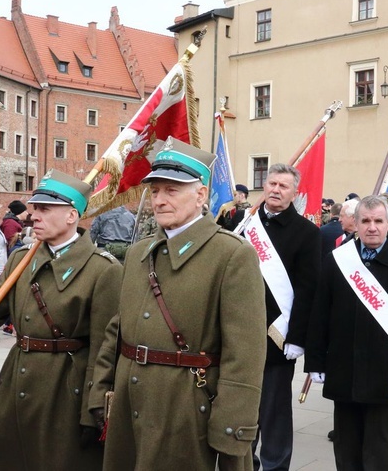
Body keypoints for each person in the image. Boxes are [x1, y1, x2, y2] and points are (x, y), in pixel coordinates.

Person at [0, 169, 122, 470]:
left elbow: (104, 348)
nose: (33, 216)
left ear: (71, 216)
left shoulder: (103, 270)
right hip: (16, 381)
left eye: (44, 209)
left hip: (65, 389)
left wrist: (92, 409)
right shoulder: (21, 260)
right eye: (34, 207)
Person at [90, 137, 266, 470]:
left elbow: (244, 354)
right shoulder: (140, 252)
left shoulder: (231, 255)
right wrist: (101, 390)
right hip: (131, 402)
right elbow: (118, 328)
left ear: (200, 196)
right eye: (155, 191)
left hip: (188, 407)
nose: (159, 200)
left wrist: (232, 429)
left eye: (171, 191)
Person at [306, 195, 388, 470]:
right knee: (346, 447)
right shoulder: (337, 261)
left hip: (384, 372)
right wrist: (315, 360)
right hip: (344, 368)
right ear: (355, 223)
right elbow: (320, 314)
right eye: (365, 220)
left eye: (378, 221)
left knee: (378, 447)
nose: (371, 227)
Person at [245, 163, 321, 471]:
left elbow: (308, 290)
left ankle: (275, 466)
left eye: (283, 186)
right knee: (241, 407)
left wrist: (298, 337)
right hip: (239, 331)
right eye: (272, 183)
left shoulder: (307, 233)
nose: (276, 190)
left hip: (278, 337)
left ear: (294, 193)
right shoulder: (244, 223)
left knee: (274, 412)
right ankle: (242, 463)